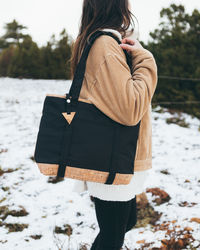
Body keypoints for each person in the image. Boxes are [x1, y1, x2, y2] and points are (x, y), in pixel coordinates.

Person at [69, 0, 158, 249]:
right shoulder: (105, 45)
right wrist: (145, 60)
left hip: (115, 152)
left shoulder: (101, 41)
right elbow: (130, 108)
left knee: (123, 223)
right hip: (113, 155)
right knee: (112, 234)